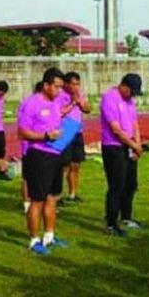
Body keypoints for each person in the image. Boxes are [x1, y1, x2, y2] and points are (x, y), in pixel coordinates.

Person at [18, 68, 68, 255]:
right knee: (37, 200)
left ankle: (49, 236)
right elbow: (22, 133)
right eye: (56, 86)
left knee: (52, 197)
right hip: (38, 155)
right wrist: (45, 135)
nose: (59, 90)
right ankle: (34, 240)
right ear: (46, 85)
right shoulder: (32, 103)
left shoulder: (55, 103)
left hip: (55, 154)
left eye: (61, 87)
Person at [100, 73, 145, 237]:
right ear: (123, 86)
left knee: (131, 184)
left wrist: (137, 144)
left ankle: (126, 217)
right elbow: (115, 129)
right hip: (114, 147)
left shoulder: (130, 100)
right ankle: (111, 223)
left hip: (129, 144)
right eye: (131, 91)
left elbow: (134, 123)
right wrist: (133, 145)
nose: (132, 95)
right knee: (116, 186)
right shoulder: (109, 98)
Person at [57, 71, 91, 203]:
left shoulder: (79, 94)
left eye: (78, 84)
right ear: (66, 84)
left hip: (77, 132)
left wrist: (80, 102)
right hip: (65, 132)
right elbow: (59, 113)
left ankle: (72, 194)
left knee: (76, 164)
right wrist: (72, 103)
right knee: (63, 166)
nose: (76, 86)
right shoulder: (60, 95)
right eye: (73, 84)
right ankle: (57, 195)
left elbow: (88, 109)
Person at [19, 82, 43, 214]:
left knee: (37, 175)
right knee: (27, 176)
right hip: (29, 145)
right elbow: (23, 127)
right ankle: (27, 203)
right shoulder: (30, 103)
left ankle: (34, 202)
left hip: (40, 145)